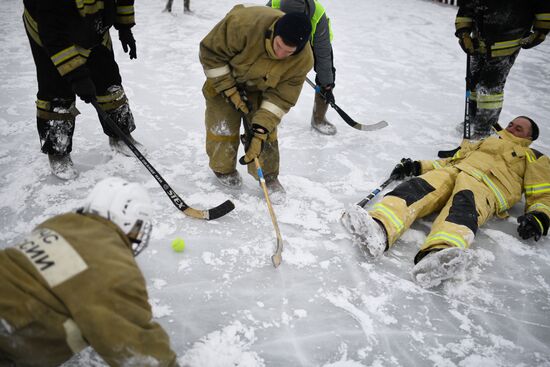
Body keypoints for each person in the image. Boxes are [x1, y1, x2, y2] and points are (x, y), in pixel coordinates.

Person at [342, 116, 550, 288]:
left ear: (529, 137)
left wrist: (540, 216)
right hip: (454, 171)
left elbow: (542, 191)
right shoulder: (486, 141)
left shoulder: (534, 156)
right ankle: (378, 228)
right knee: (414, 189)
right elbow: (452, 160)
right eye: (512, 124)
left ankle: (439, 255)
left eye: (519, 128)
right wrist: (417, 167)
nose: (512, 128)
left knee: (461, 211)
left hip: (485, 186)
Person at [0, 177, 180, 367]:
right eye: (137, 228)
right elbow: (139, 347)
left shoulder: (57, 223)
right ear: (128, 221)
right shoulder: (113, 268)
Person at [199, 4, 313, 201]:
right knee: (222, 126)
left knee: (264, 134)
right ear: (273, 33)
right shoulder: (243, 23)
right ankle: (223, 169)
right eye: (278, 46)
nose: (281, 54)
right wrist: (229, 89)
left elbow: (281, 98)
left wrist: (259, 132)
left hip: (262, 87)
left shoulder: (303, 60)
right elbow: (211, 54)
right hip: (225, 78)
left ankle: (268, 176)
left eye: (288, 52)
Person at [23, 0, 144, 180]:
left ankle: (120, 135)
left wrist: (124, 26)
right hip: (50, 30)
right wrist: (77, 76)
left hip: (94, 26)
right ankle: (58, 151)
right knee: (58, 91)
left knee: (108, 78)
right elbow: (52, 32)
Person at [454, 0, 549, 140]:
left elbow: (544, 7)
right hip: (478, 44)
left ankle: (484, 129)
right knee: (473, 83)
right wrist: (464, 33)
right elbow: (467, 8)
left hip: (507, 43)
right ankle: (473, 119)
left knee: (490, 90)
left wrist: (540, 31)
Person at [267, 0, 337, 135]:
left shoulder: (318, 14)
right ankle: (268, 115)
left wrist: (327, 85)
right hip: (279, 39)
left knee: (326, 77)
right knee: (271, 72)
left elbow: (323, 56)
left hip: (310, 41)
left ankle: (319, 119)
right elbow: (260, 37)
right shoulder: (273, 6)